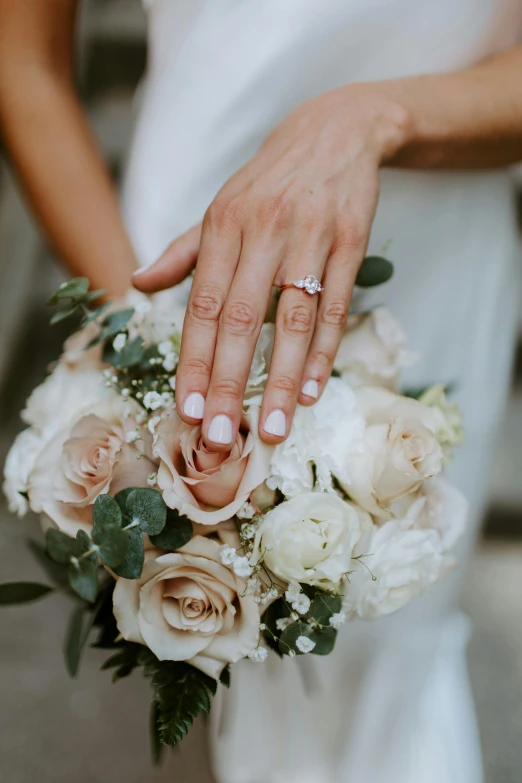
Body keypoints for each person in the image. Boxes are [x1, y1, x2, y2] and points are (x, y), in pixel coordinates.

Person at [1, 1, 521, 781]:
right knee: (207, 678)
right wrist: (142, 334)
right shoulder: (157, 313)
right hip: (181, 259)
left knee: (386, 651)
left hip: (433, 264)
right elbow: (25, 61)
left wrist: (372, 118)